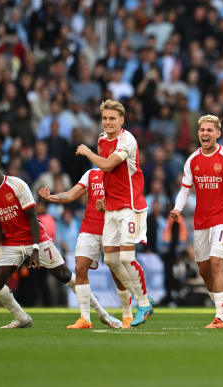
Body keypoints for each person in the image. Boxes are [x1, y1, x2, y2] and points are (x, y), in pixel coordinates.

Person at [0, 149, 114, 329]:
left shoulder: (16, 185)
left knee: (65, 276)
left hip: (36, 239)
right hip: (11, 242)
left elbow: (33, 218)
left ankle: (102, 313)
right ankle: (22, 318)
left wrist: (35, 249)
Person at [76, 99, 153, 327]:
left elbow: (108, 165)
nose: (108, 122)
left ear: (122, 120)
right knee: (110, 259)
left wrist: (88, 153)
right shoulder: (102, 139)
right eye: (105, 118)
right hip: (111, 208)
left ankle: (143, 302)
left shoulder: (127, 140)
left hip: (131, 207)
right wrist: (105, 197)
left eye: (112, 118)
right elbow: (109, 175)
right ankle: (143, 301)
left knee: (127, 258)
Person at [170, 115, 223, 329]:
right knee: (204, 269)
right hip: (201, 220)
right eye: (202, 130)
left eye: (210, 130)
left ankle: (220, 317)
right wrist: (177, 208)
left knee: (217, 262)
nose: (205, 133)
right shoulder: (192, 160)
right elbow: (185, 189)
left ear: (218, 134)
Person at [39, 168, 130, 329]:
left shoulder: (122, 174)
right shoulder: (91, 174)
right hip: (89, 228)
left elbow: (128, 203)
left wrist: (108, 206)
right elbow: (71, 194)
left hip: (112, 228)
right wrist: (51, 197)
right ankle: (85, 318)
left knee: (116, 273)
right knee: (80, 268)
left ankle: (127, 315)